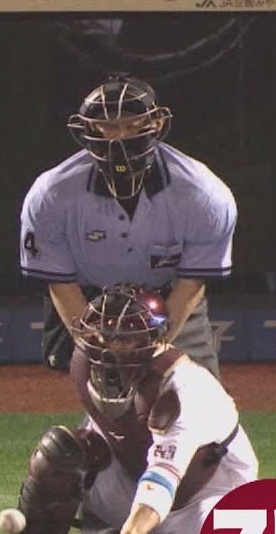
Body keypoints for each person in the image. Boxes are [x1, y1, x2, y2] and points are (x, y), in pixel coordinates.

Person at [0, 284, 259, 534]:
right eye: (103, 333)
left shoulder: (182, 390)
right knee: (58, 454)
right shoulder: (84, 365)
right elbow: (105, 437)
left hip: (205, 497)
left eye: (124, 337)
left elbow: (162, 478)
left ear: (154, 339)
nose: (109, 346)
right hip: (132, 477)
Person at [21, 73, 235, 378]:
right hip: (87, 299)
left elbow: (191, 283)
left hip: (169, 297)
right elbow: (60, 283)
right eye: (107, 125)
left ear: (156, 124)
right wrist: (94, 346)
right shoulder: (51, 193)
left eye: (131, 123)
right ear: (88, 128)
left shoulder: (204, 193)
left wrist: (154, 348)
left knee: (197, 392)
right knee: (105, 392)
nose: (119, 136)